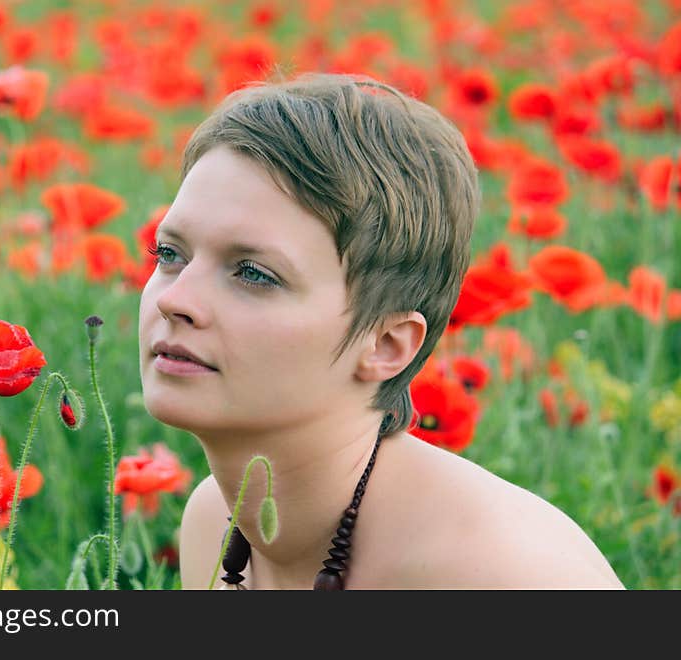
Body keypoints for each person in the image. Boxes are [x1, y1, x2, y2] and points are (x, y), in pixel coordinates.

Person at [137, 71, 624, 589]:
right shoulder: (213, 520)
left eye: (254, 273)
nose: (174, 299)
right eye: (170, 254)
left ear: (386, 345)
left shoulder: (505, 576)